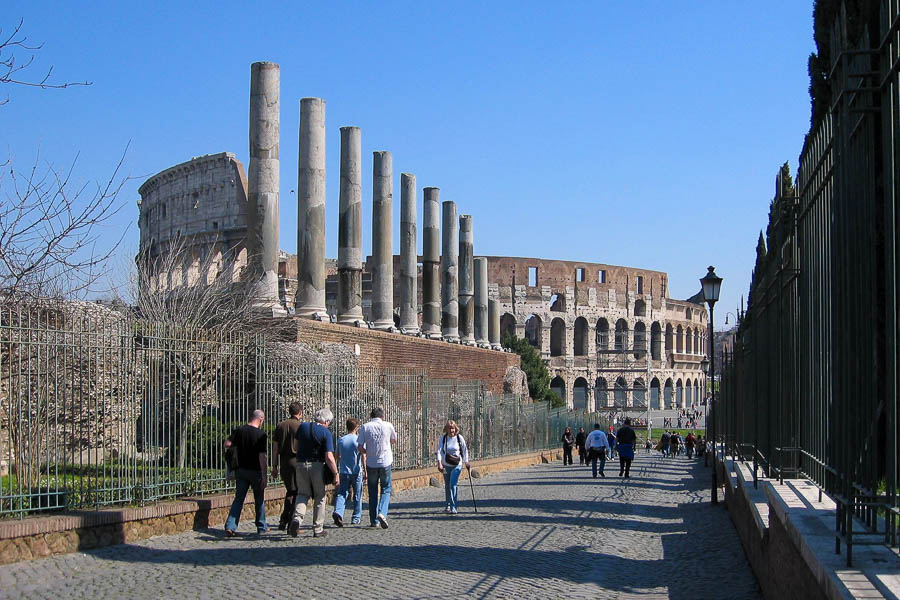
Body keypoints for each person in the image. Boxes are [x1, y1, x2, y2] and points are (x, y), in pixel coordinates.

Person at [288, 407, 338, 538]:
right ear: (326, 421)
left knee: (302, 494)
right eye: (329, 423)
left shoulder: (303, 426)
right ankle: (318, 528)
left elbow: (295, 447)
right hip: (317, 466)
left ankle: (297, 520)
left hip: (300, 464)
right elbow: (329, 456)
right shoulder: (326, 433)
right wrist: (335, 473)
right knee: (320, 497)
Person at [224, 409, 268, 536]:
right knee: (259, 499)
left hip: (241, 470)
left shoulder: (239, 430)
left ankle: (230, 526)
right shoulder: (261, 435)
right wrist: (265, 475)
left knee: (239, 498)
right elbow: (262, 457)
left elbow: (227, 444)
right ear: (261, 419)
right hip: (255, 471)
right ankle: (261, 526)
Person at [358, 407, 398, 529]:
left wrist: (367, 451)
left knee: (373, 491)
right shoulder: (388, 425)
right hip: (385, 461)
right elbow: (394, 440)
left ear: (371, 416)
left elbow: (359, 446)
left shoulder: (365, 427)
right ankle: (382, 512)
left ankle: (374, 520)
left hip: (371, 463)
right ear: (382, 416)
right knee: (386, 488)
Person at [272, 402, 302, 530]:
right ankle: (289, 521)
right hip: (297, 462)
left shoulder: (280, 425)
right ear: (300, 412)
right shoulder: (301, 426)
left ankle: (284, 519)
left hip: (284, 462)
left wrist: (274, 466)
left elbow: (275, 448)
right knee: (296, 492)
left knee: (291, 490)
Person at [332, 417, 364, 527]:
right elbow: (363, 456)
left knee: (342, 493)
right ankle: (356, 517)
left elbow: (336, 456)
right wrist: (366, 469)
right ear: (356, 427)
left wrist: (336, 468)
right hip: (356, 471)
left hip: (344, 471)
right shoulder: (358, 440)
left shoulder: (341, 440)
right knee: (357, 495)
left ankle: (338, 511)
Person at [436, 420, 471, 514]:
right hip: (445, 465)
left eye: (453, 428)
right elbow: (439, 450)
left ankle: (453, 507)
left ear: (455, 428)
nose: (451, 430)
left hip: (457, 465)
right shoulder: (443, 438)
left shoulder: (459, 438)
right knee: (447, 485)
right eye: (449, 428)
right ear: (446, 429)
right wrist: (439, 463)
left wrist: (466, 461)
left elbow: (464, 450)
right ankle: (447, 505)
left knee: (452, 484)